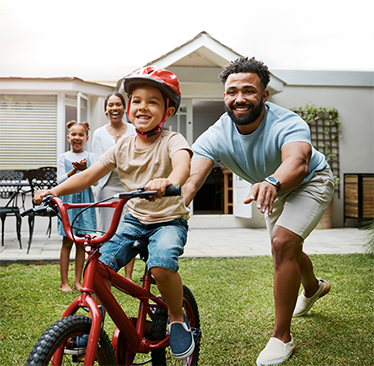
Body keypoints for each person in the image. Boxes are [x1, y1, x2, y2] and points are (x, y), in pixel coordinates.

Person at [34, 66, 195, 360]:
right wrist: (54, 191)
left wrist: (170, 182)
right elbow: (88, 176)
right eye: (136, 100)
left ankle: (175, 316)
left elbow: (183, 165)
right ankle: (89, 328)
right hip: (133, 220)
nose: (142, 106)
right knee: (98, 267)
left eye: (153, 101)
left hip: (167, 220)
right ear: (129, 106)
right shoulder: (123, 146)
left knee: (160, 264)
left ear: (168, 111)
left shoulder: (172, 140)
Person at [184, 57, 334, 365]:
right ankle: (313, 287)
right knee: (286, 249)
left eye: (249, 91)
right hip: (271, 187)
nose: (240, 98)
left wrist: (273, 181)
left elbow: (298, 161)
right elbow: (193, 178)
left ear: (264, 95)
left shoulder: (287, 122)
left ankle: (282, 338)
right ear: (224, 95)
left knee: (282, 243)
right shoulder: (216, 134)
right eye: (232, 91)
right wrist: (176, 202)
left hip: (308, 181)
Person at [92, 92, 136, 280]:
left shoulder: (134, 130)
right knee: (107, 230)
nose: (114, 108)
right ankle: (106, 271)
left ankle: (127, 276)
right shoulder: (99, 133)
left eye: (118, 104)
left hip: (131, 186)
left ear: (124, 108)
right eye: (110, 105)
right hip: (108, 186)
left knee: (130, 228)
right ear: (106, 109)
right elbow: (98, 162)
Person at [57, 120, 97, 292]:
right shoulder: (63, 157)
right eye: (73, 134)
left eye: (81, 134)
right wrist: (75, 170)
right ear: (68, 137)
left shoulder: (91, 157)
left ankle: (77, 281)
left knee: (82, 243)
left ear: (86, 138)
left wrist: (86, 169)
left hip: (84, 204)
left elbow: (95, 182)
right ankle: (64, 282)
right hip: (69, 204)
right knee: (67, 242)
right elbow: (58, 182)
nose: (77, 137)